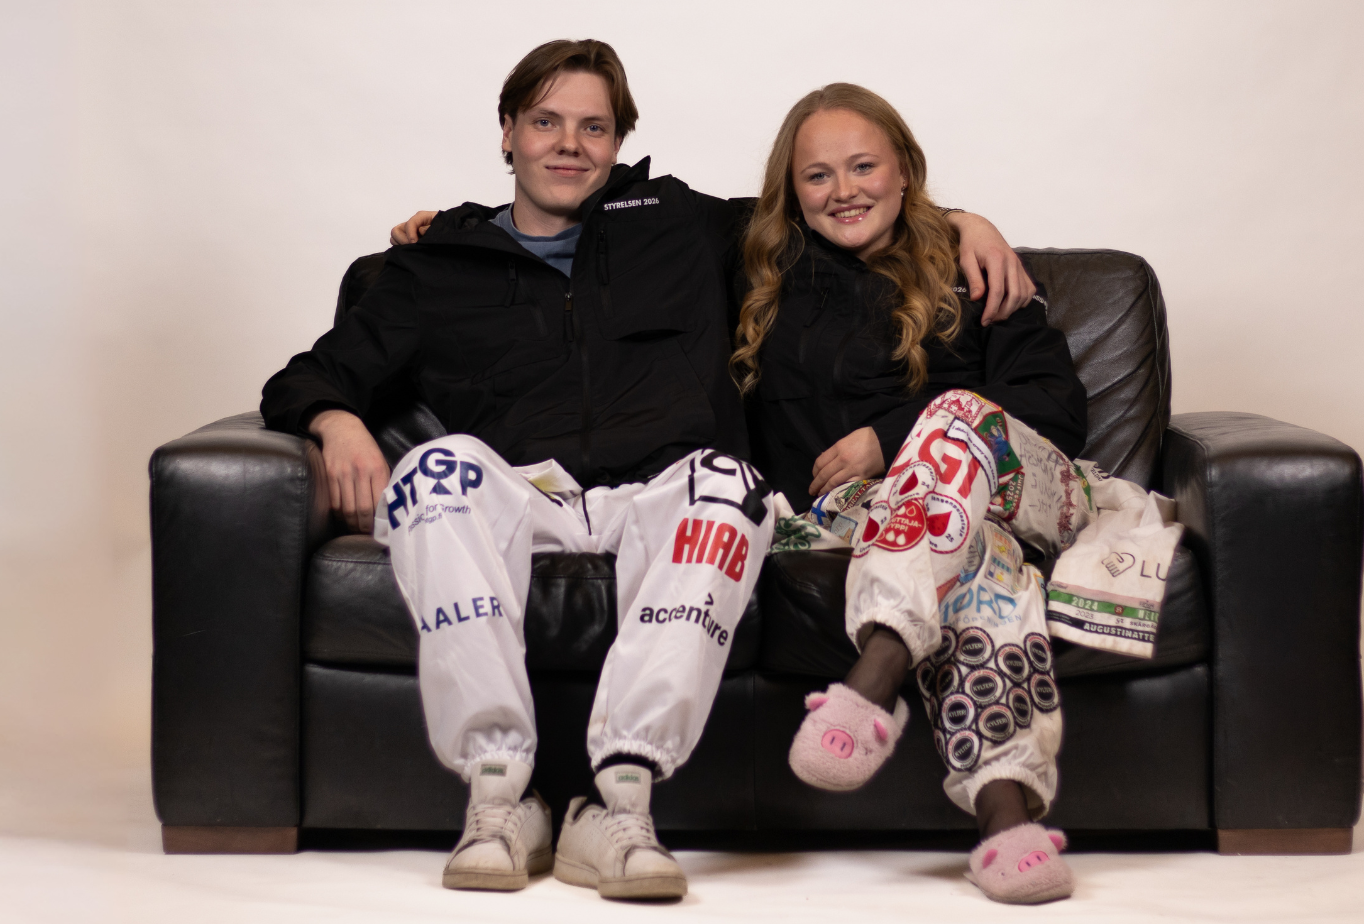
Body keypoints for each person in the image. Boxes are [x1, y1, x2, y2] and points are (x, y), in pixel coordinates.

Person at [275, 40, 1031, 900]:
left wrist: (962, 222)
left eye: (593, 127)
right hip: (525, 494)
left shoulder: (678, 221)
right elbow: (307, 376)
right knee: (430, 471)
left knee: (736, 486)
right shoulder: (435, 263)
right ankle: (498, 796)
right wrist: (336, 421)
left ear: (618, 139)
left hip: (663, 489)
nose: (570, 144)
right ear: (508, 133)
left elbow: (832, 206)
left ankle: (620, 801)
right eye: (546, 122)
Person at [731, 83, 1093, 904]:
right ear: (792, 190)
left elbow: (1056, 411)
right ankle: (1005, 819)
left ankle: (877, 673)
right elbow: (605, 209)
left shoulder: (974, 270)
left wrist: (891, 437)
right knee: (976, 555)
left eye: (864, 166)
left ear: (905, 171)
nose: (843, 190)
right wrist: (453, 229)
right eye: (818, 175)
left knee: (955, 416)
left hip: (1019, 488)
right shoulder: (761, 271)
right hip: (892, 523)